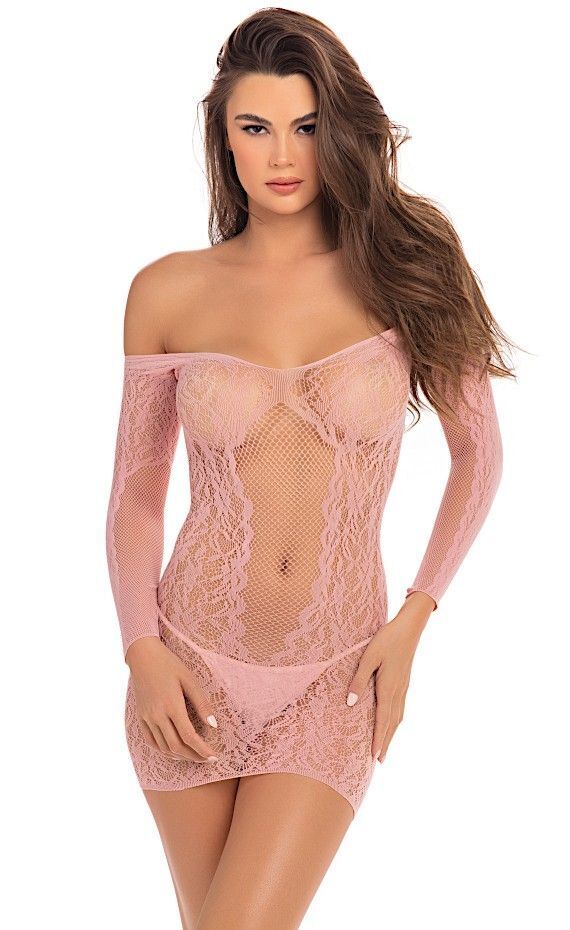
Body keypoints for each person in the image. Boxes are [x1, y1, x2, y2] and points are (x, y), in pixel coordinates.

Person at [105, 9, 514, 929]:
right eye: (256, 127)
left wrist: (414, 619)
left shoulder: (409, 266)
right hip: (186, 670)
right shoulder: (166, 289)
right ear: (223, 136)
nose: (283, 155)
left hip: (336, 675)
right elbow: (136, 493)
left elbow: (479, 456)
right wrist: (142, 651)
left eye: (308, 126)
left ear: (341, 130)